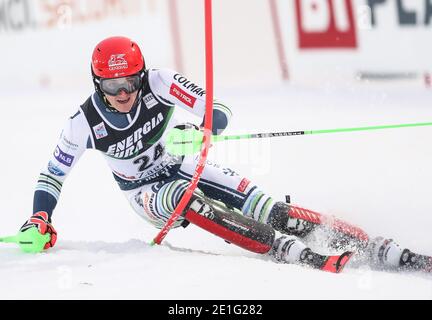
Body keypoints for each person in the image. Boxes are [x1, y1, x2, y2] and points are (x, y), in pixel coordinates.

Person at [19, 36, 431, 273]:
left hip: (180, 162)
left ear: (142, 76)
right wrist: (41, 217)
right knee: (185, 199)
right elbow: (52, 176)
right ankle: (283, 249)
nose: (123, 95)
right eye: (112, 87)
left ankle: (376, 245)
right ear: (97, 84)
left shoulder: (160, 83)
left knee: (269, 208)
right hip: (143, 191)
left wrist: (200, 132)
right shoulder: (83, 122)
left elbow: (218, 108)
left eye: (129, 83)